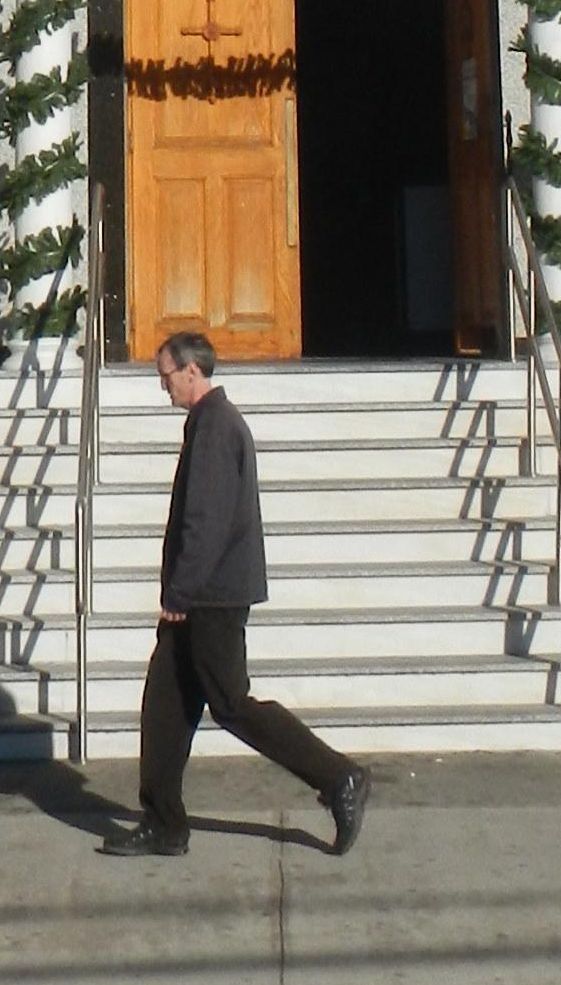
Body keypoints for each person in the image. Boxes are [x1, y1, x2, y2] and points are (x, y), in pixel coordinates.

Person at [102, 333, 371, 860]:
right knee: (165, 705)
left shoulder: (216, 428)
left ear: (192, 372)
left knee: (232, 704)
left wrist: (180, 591)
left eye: (167, 376)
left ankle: (340, 777)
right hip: (202, 594)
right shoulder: (210, 424)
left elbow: (207, 520)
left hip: (211, 597)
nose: (164, 387)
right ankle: (163, 823)